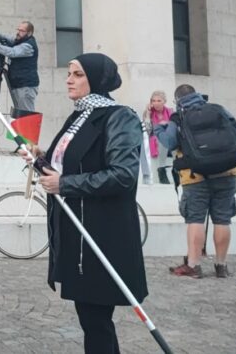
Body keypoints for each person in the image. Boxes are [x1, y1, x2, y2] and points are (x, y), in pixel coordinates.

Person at [20, 52, 147, 354]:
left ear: (97, 79)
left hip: (102, 234)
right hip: (77, 233)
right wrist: (38, 158)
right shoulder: (78, 116)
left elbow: (122, 175)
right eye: (68, 72)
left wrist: (64, 184)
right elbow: (65, 168)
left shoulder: (119, 117)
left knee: (96, 318)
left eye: (77, 74)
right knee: (92, 319)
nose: (68, 79)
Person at [154, 84, 236, 279]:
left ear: (177, 101)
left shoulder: (178, 117)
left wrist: (158, 129)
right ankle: (221, 266)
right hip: (226, 173)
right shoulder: (218, 110)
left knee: (195, 219)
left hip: (195, 176)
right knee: (222, 219)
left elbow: (170, 142)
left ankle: (194, 265)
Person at [0, 21, 39, 112]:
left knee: (26, 116)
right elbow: (9, 38)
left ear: (29, 33)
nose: (18, 32)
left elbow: (11, 52)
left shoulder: (28, 46)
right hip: (18, 84)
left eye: (22, 31)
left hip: (25, 87)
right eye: (18, 29)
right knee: (20, 115)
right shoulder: (20, 40)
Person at [143, 90, 173, 184]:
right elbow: (148, 131)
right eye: (153, 101)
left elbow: (174, 128)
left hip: (170, 140)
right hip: (155, 140)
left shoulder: (170, 112)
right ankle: (161, 170)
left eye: (159, 100)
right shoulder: (148, 113)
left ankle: (174, 170)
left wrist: (167, 123)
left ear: (164, 101)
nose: (156, 103)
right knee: (161, 139)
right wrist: (147, 114)